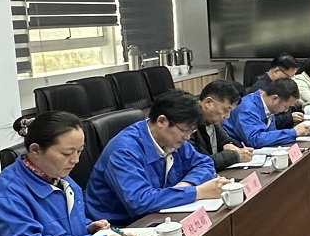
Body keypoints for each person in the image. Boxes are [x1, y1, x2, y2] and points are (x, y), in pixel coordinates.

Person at [0, 112, 137, 236]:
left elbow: (61, 230)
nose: (75, 160)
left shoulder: (61, 180)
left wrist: (87, 228)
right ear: (35, 150)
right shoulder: (5, 197)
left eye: (79, 151)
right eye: (67, 153)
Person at [84, 90, 223, 224]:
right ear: (161, 121)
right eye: (185, 130)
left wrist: (186, 185)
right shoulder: (124, 151)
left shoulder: (173, 140)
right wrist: (197, 192)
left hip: (158, 213)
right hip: (119, 225)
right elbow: (139, 201)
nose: (187, 137)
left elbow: (204, 163)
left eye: (191, 131)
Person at [227, 76, 310, 148]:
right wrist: (293, 132)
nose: (286, 110)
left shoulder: (266, 105)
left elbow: (270, 135)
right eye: (286, 106)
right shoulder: (247, 108)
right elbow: (255, 140)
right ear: (275, 98)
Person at [192, 80, 253, 171]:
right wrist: (234, 156)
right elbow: (196, 163)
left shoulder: (211, 119)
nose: (227, 116)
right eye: (226, 110)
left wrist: (229, 145)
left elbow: (225, 139)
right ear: (208, 103)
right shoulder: (188, 124)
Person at [252, 53, 306, 128]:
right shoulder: (260, 90)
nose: (290, 80)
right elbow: (264, 120)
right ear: (276, 71)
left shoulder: (281, 85)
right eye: (289, 77)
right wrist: (289, 118)